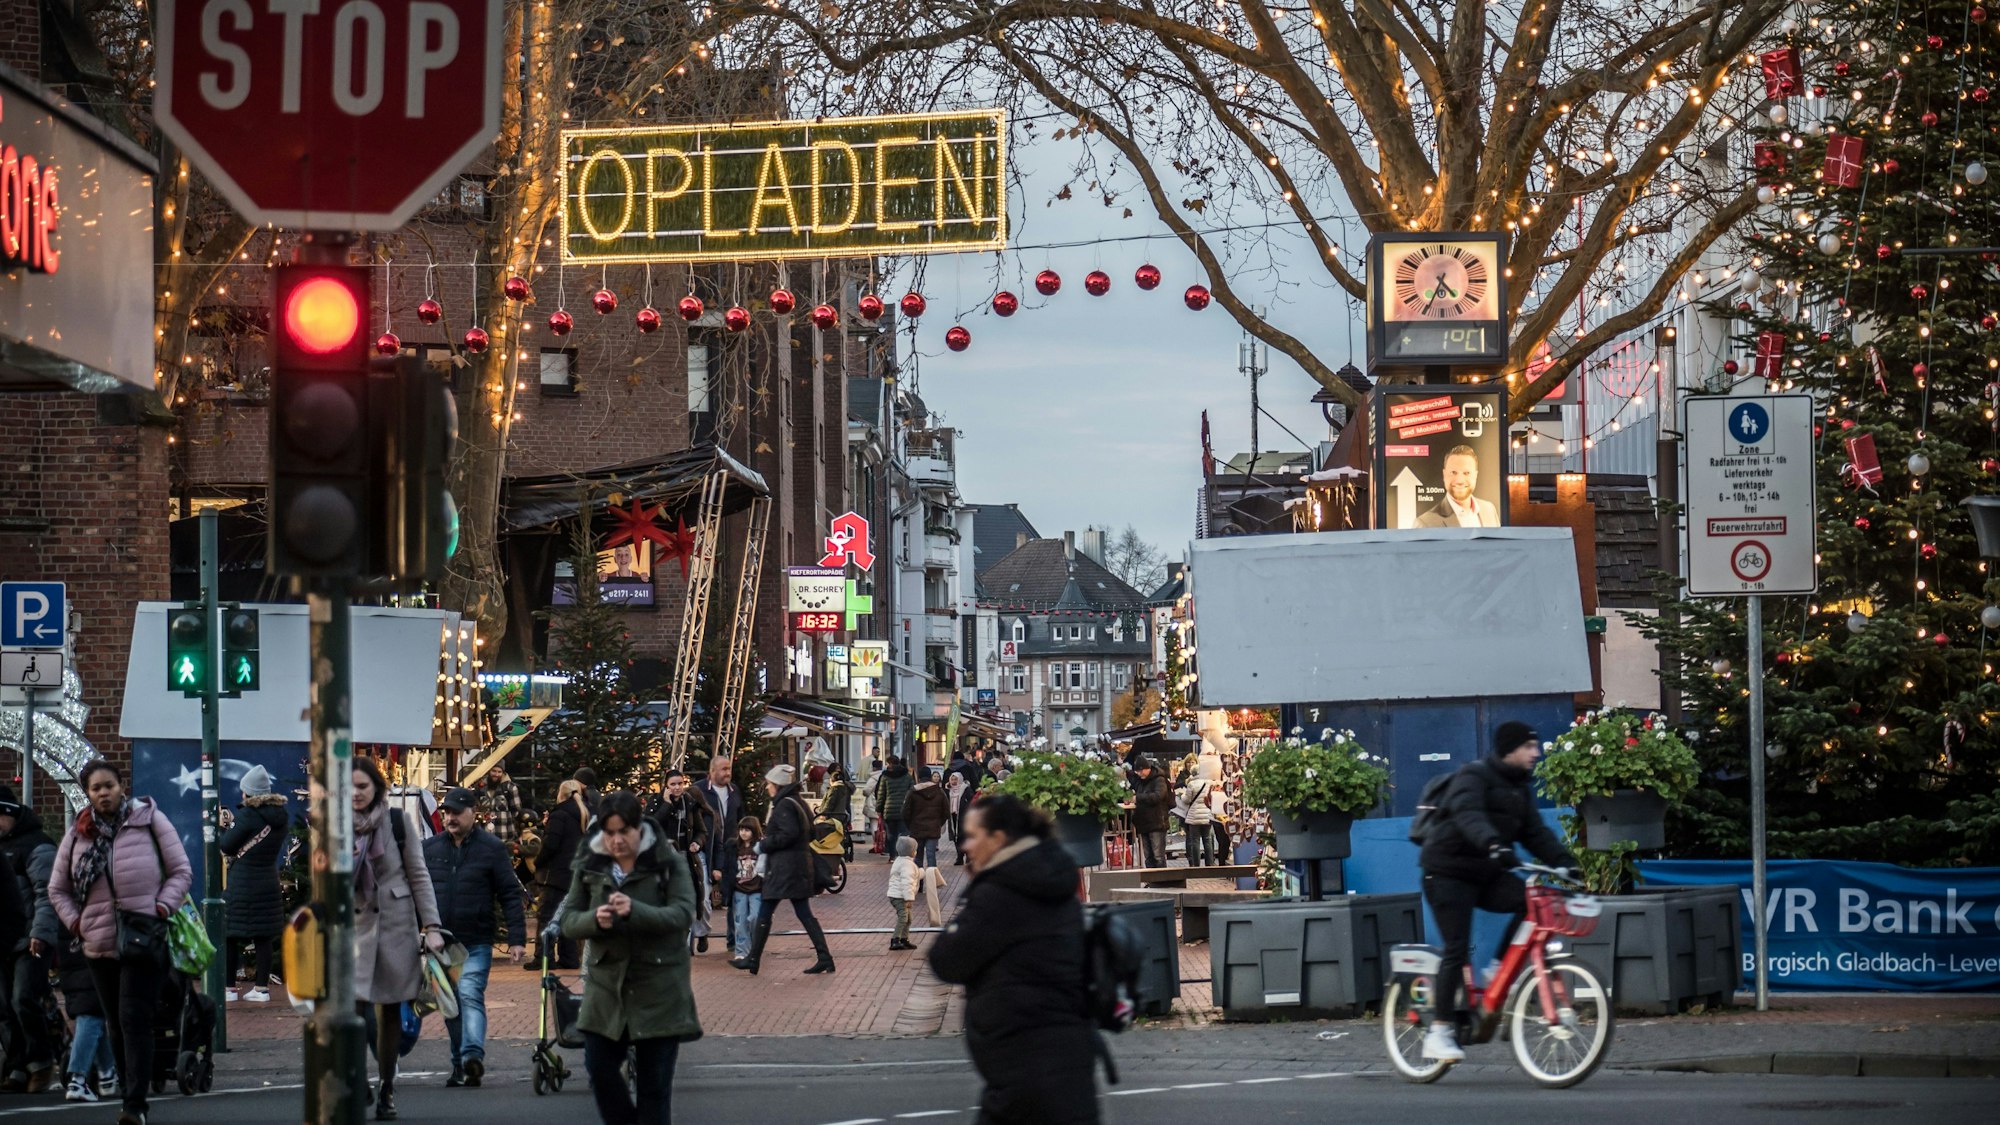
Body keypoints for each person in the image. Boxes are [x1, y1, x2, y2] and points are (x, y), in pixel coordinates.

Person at [930, 794, 1100, 1124]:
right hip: (1062, 1050)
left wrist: (975, 892)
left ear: (998, 839)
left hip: (1024, 1060)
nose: (965, 845)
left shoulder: (1002, 892)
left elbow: (946, 959)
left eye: (973, 835)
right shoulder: (1048, 876)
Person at [1417, 721, 1578, 1063]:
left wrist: (1566, 863)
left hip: (1486, 874)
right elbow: (1468, 815)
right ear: (1510, 749)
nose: (1536, 753)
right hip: (1447, 872)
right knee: (1456, 949)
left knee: (1530, 903)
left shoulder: (1519, 788)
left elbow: (1536, 834)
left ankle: (1496, 970)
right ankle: (1439, 1032)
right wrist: (1492, 843)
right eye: (1529, 747)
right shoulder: (1473, 776)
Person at [47, 760, 193, 1125]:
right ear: (88, 793)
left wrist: (161, 908)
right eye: (96, 788)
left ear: (121, 786)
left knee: (133, 1018)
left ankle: (135, 1104)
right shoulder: (78, 833)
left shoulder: (149, 820)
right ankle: (129, 1092)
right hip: (98, 943)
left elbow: (180, 871)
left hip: (143, 938)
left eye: (108, 786)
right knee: (114, 1021)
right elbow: (57, 888)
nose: (103, 793)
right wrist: (77, 922)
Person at [559, 791, 700, 1125]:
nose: (617, 841)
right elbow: (569, 920)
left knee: (654, 1089)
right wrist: (595, 920)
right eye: (609, 833)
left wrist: (636, 911)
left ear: (640, 827)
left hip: (658, 988)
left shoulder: (668, 862)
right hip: (606, 990)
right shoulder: (590, 863)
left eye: (624, 831)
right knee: (600, 1070)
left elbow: (683, 914)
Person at [350, 756, 445, 1120]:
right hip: (353, 928)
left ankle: (387, 1085)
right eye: (350, 787)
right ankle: (358, 1078)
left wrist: (432, 926)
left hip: (395, 926)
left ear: (376, 788)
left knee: (390, 1011)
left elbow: (418, 875)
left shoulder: (396, 822)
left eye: (363, 786)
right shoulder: (334, 827)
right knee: (354, 1010)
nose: (356, 793)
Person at [423, 788, 527, 1089]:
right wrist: (420, 930)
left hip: (476, 940)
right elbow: (418, 892)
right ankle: (461, 1066)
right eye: (447, 812)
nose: (450, 818)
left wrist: (517, 938)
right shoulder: (430, 848)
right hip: (440, 943)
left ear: (473, 812)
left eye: (456, 812)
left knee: (469, 994)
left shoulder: (491, 848)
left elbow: (510, 893)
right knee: (450, 1006)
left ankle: (471, 1056)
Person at [729, 764, 835, 976]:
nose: (768, 787)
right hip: (797, 867)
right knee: (800, 912)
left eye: (769, 784)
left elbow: (788, 834)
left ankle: (753, 959)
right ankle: (824, 957)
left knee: (767, 910)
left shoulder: (784, 805)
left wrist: (764, 845)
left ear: (777, 785)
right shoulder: (797, 802)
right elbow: (810, 833)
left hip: (784, 869)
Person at [0, 783, 60, 1093]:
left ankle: (40, 1061)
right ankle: (16, 1067)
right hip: (6, 940)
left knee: (23, 999)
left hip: (30, 938)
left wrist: (40, 932)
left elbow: (47, 894)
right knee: (4, 1007)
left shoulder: (37, 846)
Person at [215, 765, 288, 1003]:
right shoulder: (280, 817)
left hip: (243, 883)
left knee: (229, 934)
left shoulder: (248, 815)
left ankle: (228, 988)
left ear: (249, 792)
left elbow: (227, 845)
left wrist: (222, 829)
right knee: (263, 937)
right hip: (268, 882)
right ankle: (261, 989)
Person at [535, 779, 592, 969]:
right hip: (576, 873)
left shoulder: (559, 815)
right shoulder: (585, 814)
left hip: (557, 873)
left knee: (547, 915)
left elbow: (551, 844)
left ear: (561, 794)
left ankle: (544, 958)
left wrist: (538, 862)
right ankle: (570, 957)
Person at [56, 933, 116, 1102]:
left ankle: (107, 1072)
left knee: (93, 1013)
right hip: (96, 951)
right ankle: (78, 1079)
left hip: (71, 952)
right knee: (91, 1015)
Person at [1415, 445, 1500, 528]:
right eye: (1453, 472)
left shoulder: (1490, 510)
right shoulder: (1424, 524)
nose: (1460, 481)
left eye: (1466, 473)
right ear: (1444, 475)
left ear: (1476, 475)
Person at [1175, 754, 1223, 867]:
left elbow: (1186, 800)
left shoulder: (1191, 784)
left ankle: (1196, 865)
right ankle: (1209, 863)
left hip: (1194, 816)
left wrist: (1182, 796)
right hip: (1206, 815)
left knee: (1195, 840)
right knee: (1207, 839)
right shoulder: (1209, 783)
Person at [725, 817, 762, 962]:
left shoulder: (759, 847)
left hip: (756, 889)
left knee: (755, 917)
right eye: (741, 829)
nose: (743, 833)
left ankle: (754, 945)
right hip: (739, 889)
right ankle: (741, 950)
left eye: (747, 830)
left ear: (754, 831)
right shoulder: (734, 847)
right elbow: (728, 867)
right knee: (739, 920)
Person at [1127, 758, 1171, 868]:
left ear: (1147, 768)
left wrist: (1138, 798)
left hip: (1157, 822)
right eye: (1137, 771)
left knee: (1158, 856)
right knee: (1148, 857)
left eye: (1140, 771)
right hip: (1143, 823)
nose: (1139, 773)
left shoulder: (1159, 779)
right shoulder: (1139, 780)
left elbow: (1158, 796)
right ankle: (1151, 877)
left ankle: (1162, 877)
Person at [904, 768, 949, 870]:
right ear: (930, 776)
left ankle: (919, 878)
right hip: (933, 828)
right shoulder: (939, 791)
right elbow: (946, 811)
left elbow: (905, 812)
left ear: (919, 777)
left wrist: (910, 825)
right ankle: (932, 878)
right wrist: (938, 823)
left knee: (918, 856)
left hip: (917, 828)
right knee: (931, 855)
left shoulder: (913, 791)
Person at [477, 762, 526, 851]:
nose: (496, 774)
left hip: (504, 837)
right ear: (489, 771)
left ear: (503, 773)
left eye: (499, 772)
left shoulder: (510, 787)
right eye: (494, 771)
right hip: (484, 838)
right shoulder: (481, 787)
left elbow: (516, 810)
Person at [885, 837, 919, 951]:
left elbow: (912, 876)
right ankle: (895, 940)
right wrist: (909, 898)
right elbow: (907, 882)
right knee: (903, 917)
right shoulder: (907, 864)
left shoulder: (900, 860)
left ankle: (904, 939)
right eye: (915, 850)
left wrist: (922, 873)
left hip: (898, 895)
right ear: (911, 852)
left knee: (908, 919)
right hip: (899, 896)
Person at [876, 756, 914, 855]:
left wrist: (879, 809)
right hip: (903, 809)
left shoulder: (885, 777)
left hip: (889, 809)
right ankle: (902, 854)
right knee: (903, 833)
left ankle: (892, 855)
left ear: (891, 764)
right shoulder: (907, 776)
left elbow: (881, 794)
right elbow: (912, 793)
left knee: (891, 835)